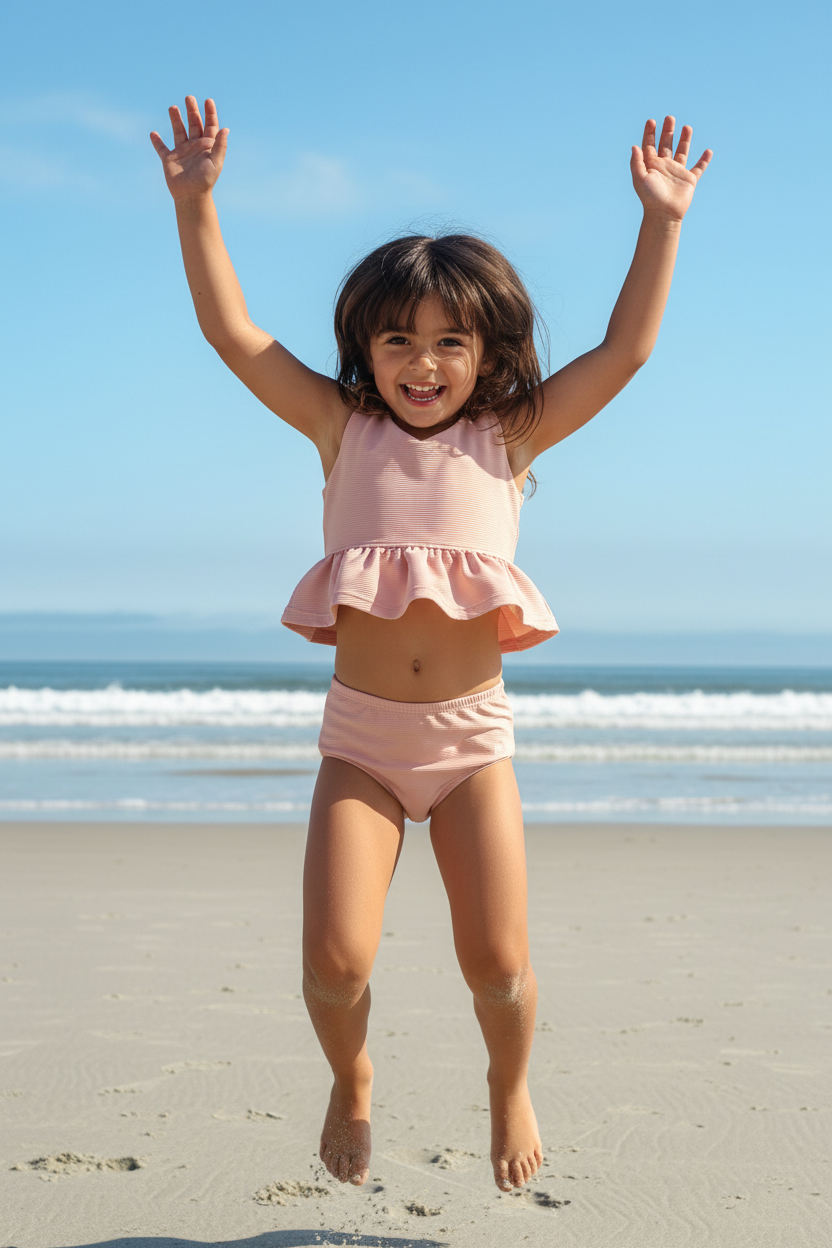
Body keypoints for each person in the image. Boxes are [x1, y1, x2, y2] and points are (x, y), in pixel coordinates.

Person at [150, 98, 711, 1192]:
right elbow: (232, 333)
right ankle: (350, 1078)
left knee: (498, 969)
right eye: (397, 339)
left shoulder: (510, 437)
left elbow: (630, 350)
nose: (422, 363)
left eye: (449, 342)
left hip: (469, 747)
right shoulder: (338, 427)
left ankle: (510, 1083)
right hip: (360, 741)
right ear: (364, 346)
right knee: (331, 964)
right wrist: (195, 207)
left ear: (486, 351)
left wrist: (662, 221)